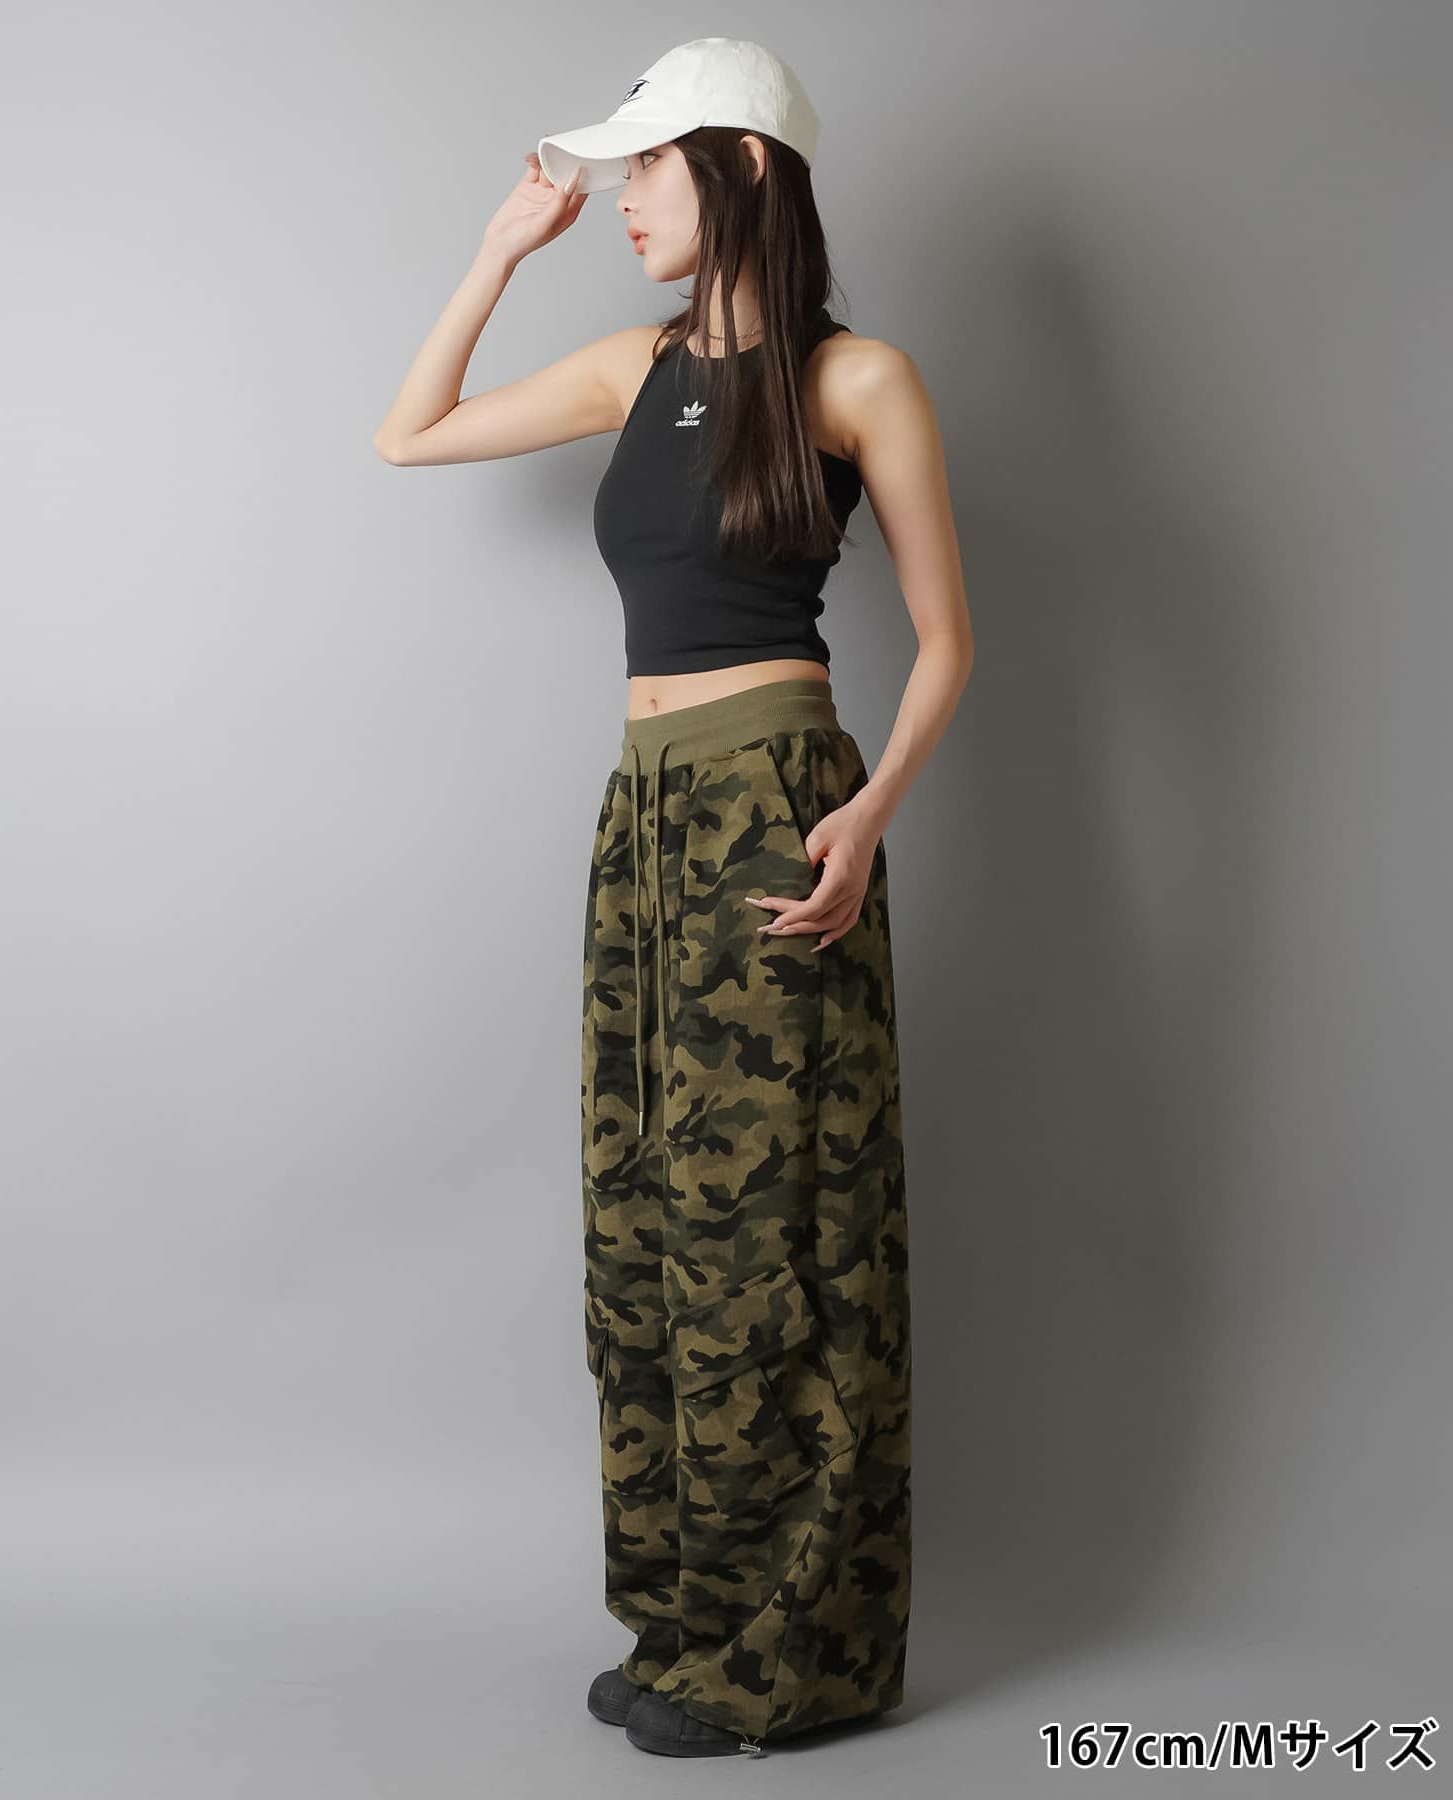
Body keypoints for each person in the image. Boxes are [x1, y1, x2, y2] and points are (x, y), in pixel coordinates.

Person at [373, 36, 973, 1760]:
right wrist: (500, 251)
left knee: (772, 1237)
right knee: (645, 1218)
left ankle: (793, 1657)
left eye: (651, 163)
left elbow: (949, 640)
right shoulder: (635, 367)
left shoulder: (859, 379)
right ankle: (685, 1618)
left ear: (749, 170)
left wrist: (866, 815)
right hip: (640, 819)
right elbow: (410, 435)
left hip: (779, 807)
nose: (627, 195)